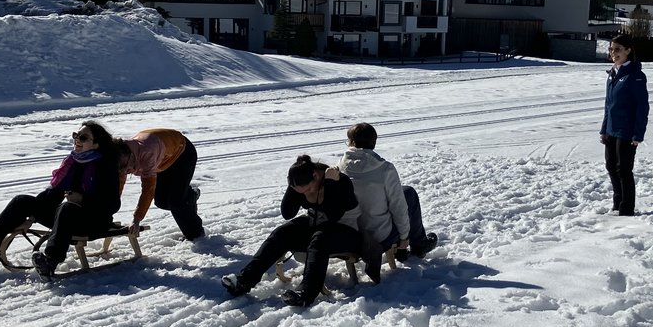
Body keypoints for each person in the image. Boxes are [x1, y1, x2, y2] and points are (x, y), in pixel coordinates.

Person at [0, 121, 122, 276]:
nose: (77, 140)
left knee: (66, 208)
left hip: (94, 222)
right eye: (76, 135)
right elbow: (53, 195)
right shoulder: (73, 163)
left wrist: (82, 200)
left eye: (83, 138)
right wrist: (31, 217)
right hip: (68, 219)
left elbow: (113, 204)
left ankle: (50, 261)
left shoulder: (106, 166)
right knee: (22, 201)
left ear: (96, 144)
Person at [221, 154, 374, 307]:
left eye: (309, 189)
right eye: (302, 192)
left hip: (348, 231)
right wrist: (293, 186)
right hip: (316, 225)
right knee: (282, 233)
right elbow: (287, 213)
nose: (306, 195)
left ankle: (306, 293)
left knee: (320, 240)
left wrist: (329, 183)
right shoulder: (302, 185)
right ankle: (244, 281)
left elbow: (332, 215)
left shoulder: (339, 181)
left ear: (316, 175)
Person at [338, 122, 436, 260]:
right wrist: (404, 237)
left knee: (399, 194)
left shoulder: (339, 166)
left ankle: (403, 250)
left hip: (352, 231)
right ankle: (418, 245)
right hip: (379, 236)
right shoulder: (384, 169)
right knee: (408, 194)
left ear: (352, 142)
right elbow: (398, 206)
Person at [118, 128, 204, 241]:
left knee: (176, 202)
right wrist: (107, 213)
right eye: (122, 167)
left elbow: (148, 190)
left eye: (126, 165)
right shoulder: (120, 159)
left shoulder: (147, 153)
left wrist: (136, 219)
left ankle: (197, 235)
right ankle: (190, 195)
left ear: (130, 154)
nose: (126, 170)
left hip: (183, 153)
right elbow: (118, 187)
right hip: (163, 160)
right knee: (162, 201)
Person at [600, 34, 650, 216]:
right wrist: (604, 129)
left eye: (617, 49)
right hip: (612, 129)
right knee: (611, 166)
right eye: (611, 49)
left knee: (624, 170)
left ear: (628, 50)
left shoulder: (636, 76)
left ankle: (626, 209)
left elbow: (642, 107)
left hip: (627, 131)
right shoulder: (612, 74)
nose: (613, 53)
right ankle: (617, 204)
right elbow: (608, 105)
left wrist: (638, 134)